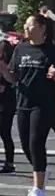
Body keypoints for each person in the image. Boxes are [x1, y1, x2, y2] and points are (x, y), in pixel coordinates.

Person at [0, 14, 55, 196]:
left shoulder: (53, 50)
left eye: (29, 25)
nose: (25, 27)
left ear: (41, 28)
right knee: (26, 145)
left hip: (44, 103)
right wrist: (4, 70)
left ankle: (39, 191)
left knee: (36, 142)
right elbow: (14, 78)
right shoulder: (21, 48)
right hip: (22, 102)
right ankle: (42, 172)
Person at [0, 37, 15, 174]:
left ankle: (9, 162)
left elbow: (8, 83)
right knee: (5, 133)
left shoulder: (6, 65)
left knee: (5, 132)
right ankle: (9, 161)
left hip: (6, 101)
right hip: (7, 101)